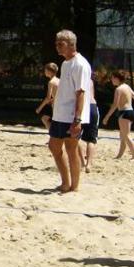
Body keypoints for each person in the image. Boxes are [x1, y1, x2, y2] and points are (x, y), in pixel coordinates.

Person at [48, 29, 91, 192]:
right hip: (60, 113)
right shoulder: (66, 63)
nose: (57, 47)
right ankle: (65, 182)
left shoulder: (80, 64)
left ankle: (74, 186)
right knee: (54, 146)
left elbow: (81, 93)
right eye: (56, 43)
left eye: (61, 44)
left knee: (71, 149)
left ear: (71, 44)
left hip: (72, 115)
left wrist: (78, 120)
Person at [102, 70, 134, 160]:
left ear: (116, 78)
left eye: (112, 78)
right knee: (123, 135)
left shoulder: (118, 89)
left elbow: (115, 104)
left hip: (124, 112)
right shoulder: (127, 87)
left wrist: (107, 116)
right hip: (130, 112)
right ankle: (119, 155)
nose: (111, 80)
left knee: (126, 135)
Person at [35, 63, 59, 131]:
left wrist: (40, 108)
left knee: (46, 119)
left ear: (49, 71)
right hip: (59, 105)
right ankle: (53, 137)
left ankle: (53, 137)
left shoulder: (51, 82)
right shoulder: (59, 80)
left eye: (45, 70)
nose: (44, 72)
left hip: (56, 106)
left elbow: (48, 97)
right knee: (46, 119)